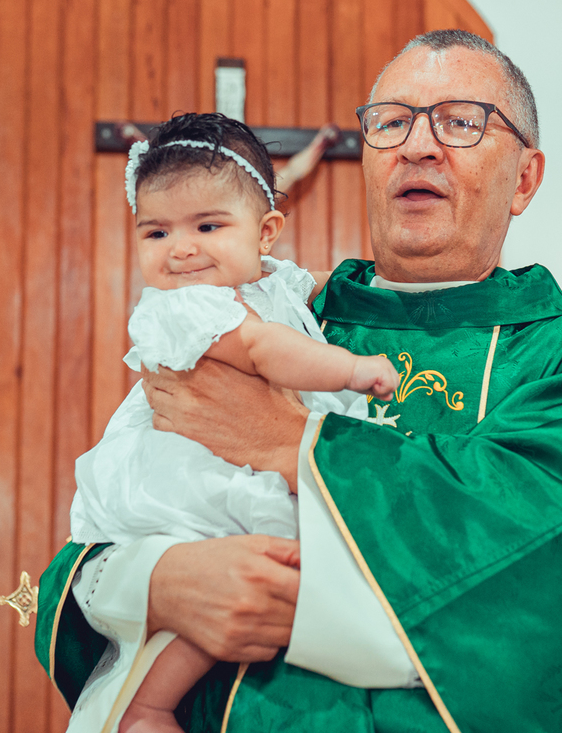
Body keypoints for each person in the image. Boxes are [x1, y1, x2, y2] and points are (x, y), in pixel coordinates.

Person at [36, 29, 562, 732]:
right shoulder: (271, 321)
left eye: (460, 121)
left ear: (525, 179)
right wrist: (160, 585)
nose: (417, 146)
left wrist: (292, 442)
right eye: (390, 123)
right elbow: (110, 518)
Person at [64, 112, 400, 733]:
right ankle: (148, 708)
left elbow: (311, 289)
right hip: (191, 475)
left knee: (245, 583)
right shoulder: (190, 306)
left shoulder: (269, 281)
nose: (181, 248)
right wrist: (352, 369)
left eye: (207, 225)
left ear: (266, 232)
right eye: (156, 232)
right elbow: (266, 350)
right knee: (223, 582)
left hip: (230, 463)